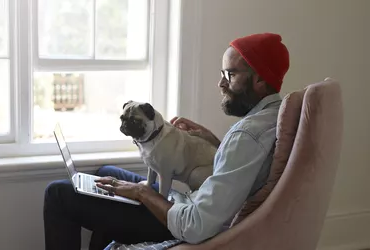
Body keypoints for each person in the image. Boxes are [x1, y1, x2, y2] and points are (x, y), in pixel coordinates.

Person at [43, 32, 290, 250]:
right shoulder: (271, 116)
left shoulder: (246, 135)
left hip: (182, 222)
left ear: (259, 79)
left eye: (230, 74)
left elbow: (196, 226)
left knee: (58, 194)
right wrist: (215, 141)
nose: (221, 83)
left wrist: (143, 193)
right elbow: (239, 168)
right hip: (189, 204)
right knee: (104, 173)